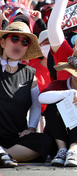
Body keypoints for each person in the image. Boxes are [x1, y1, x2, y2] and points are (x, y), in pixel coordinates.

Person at [0, 22, 50, 167]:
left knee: (45, 141)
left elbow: (36, 106)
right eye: (14, 38)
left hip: (16, 137)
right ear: (3, 42)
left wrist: (31, 128)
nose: (19, 44)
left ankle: (4, 154)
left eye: (24, 41)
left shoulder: (30, 74)